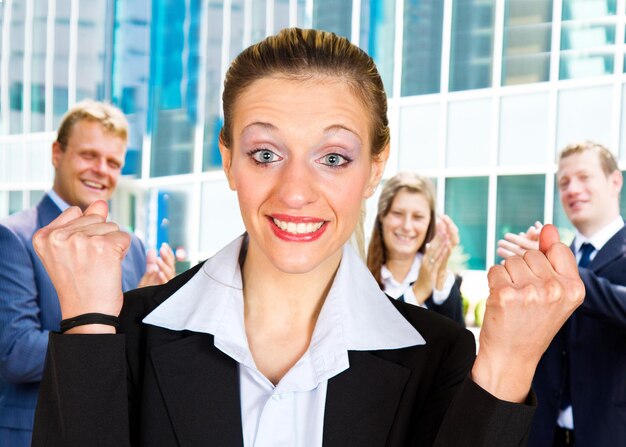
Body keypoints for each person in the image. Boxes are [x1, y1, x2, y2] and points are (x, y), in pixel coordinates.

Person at [31, 28, 584, 447]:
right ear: (228, 161)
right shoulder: (118, 333)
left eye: (334, 158)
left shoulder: (440, 356)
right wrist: (85, 323)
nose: (295, 191)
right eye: (265, 153)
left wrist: (510, 362)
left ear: (373, 169)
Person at [0, 100, 176, 446]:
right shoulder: (15, 237)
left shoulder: (132, 247)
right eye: (89, 155)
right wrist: (102, 326)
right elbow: (15, 353)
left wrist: (153, 307)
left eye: (113, 163)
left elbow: (136, 351)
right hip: (33, 434)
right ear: (57, 153)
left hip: (111, 429)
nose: (101, 170)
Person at [497, 141, 626, 447]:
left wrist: (560, 268)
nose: (572, 189)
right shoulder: (553, 257)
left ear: (614, 181)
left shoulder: (558, 260)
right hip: (544, 433)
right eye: (564, 182)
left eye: (584, 177)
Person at [367, 172, 465, 326]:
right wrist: (418, 291)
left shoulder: (444, 283)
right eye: (397, 214)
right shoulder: (359, 276)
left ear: (429, 223)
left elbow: (459, 346)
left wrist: (438, 279)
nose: (407, 226)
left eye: (418, 217)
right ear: (382, 217)